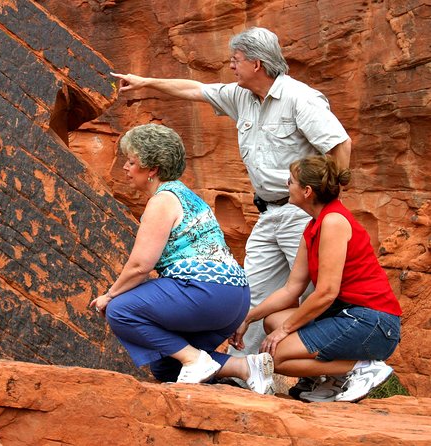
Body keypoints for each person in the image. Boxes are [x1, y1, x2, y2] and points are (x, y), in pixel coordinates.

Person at [111, 26, 351, 396]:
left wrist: (329, 201)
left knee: (319, 290)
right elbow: (194, 89)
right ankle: (249, 372)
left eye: (236, 61)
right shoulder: (242, 96)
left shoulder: (299, 99)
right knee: (251, 294)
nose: (231, 66)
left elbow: (339, 144)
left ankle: (332, 375)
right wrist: (146, 82)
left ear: (256, 63)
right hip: (268, 213)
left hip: (304, 212)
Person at [89, 123, 273, 394]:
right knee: (165, 367)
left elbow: (141, 265)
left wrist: (110, 295)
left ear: (152, 169)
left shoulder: (163, 200)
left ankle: (194, 359)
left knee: (120, 310)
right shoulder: (187, 195)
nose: (126, 168)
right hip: (234, 299)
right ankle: (245, 367)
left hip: (206, 293)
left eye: (131, 162)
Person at [230, 155, 402, 402]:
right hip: (349, 316)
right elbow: (292, 289)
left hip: (373, 323)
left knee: (275, 357)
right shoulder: (314, 225)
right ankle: (331, 381)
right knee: (272, 321)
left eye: (291, 182)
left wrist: (285, 332)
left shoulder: (333, 221)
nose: (287, 185)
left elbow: (326, 292)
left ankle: (362, 367)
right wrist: (247, 318)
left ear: (307, 191)